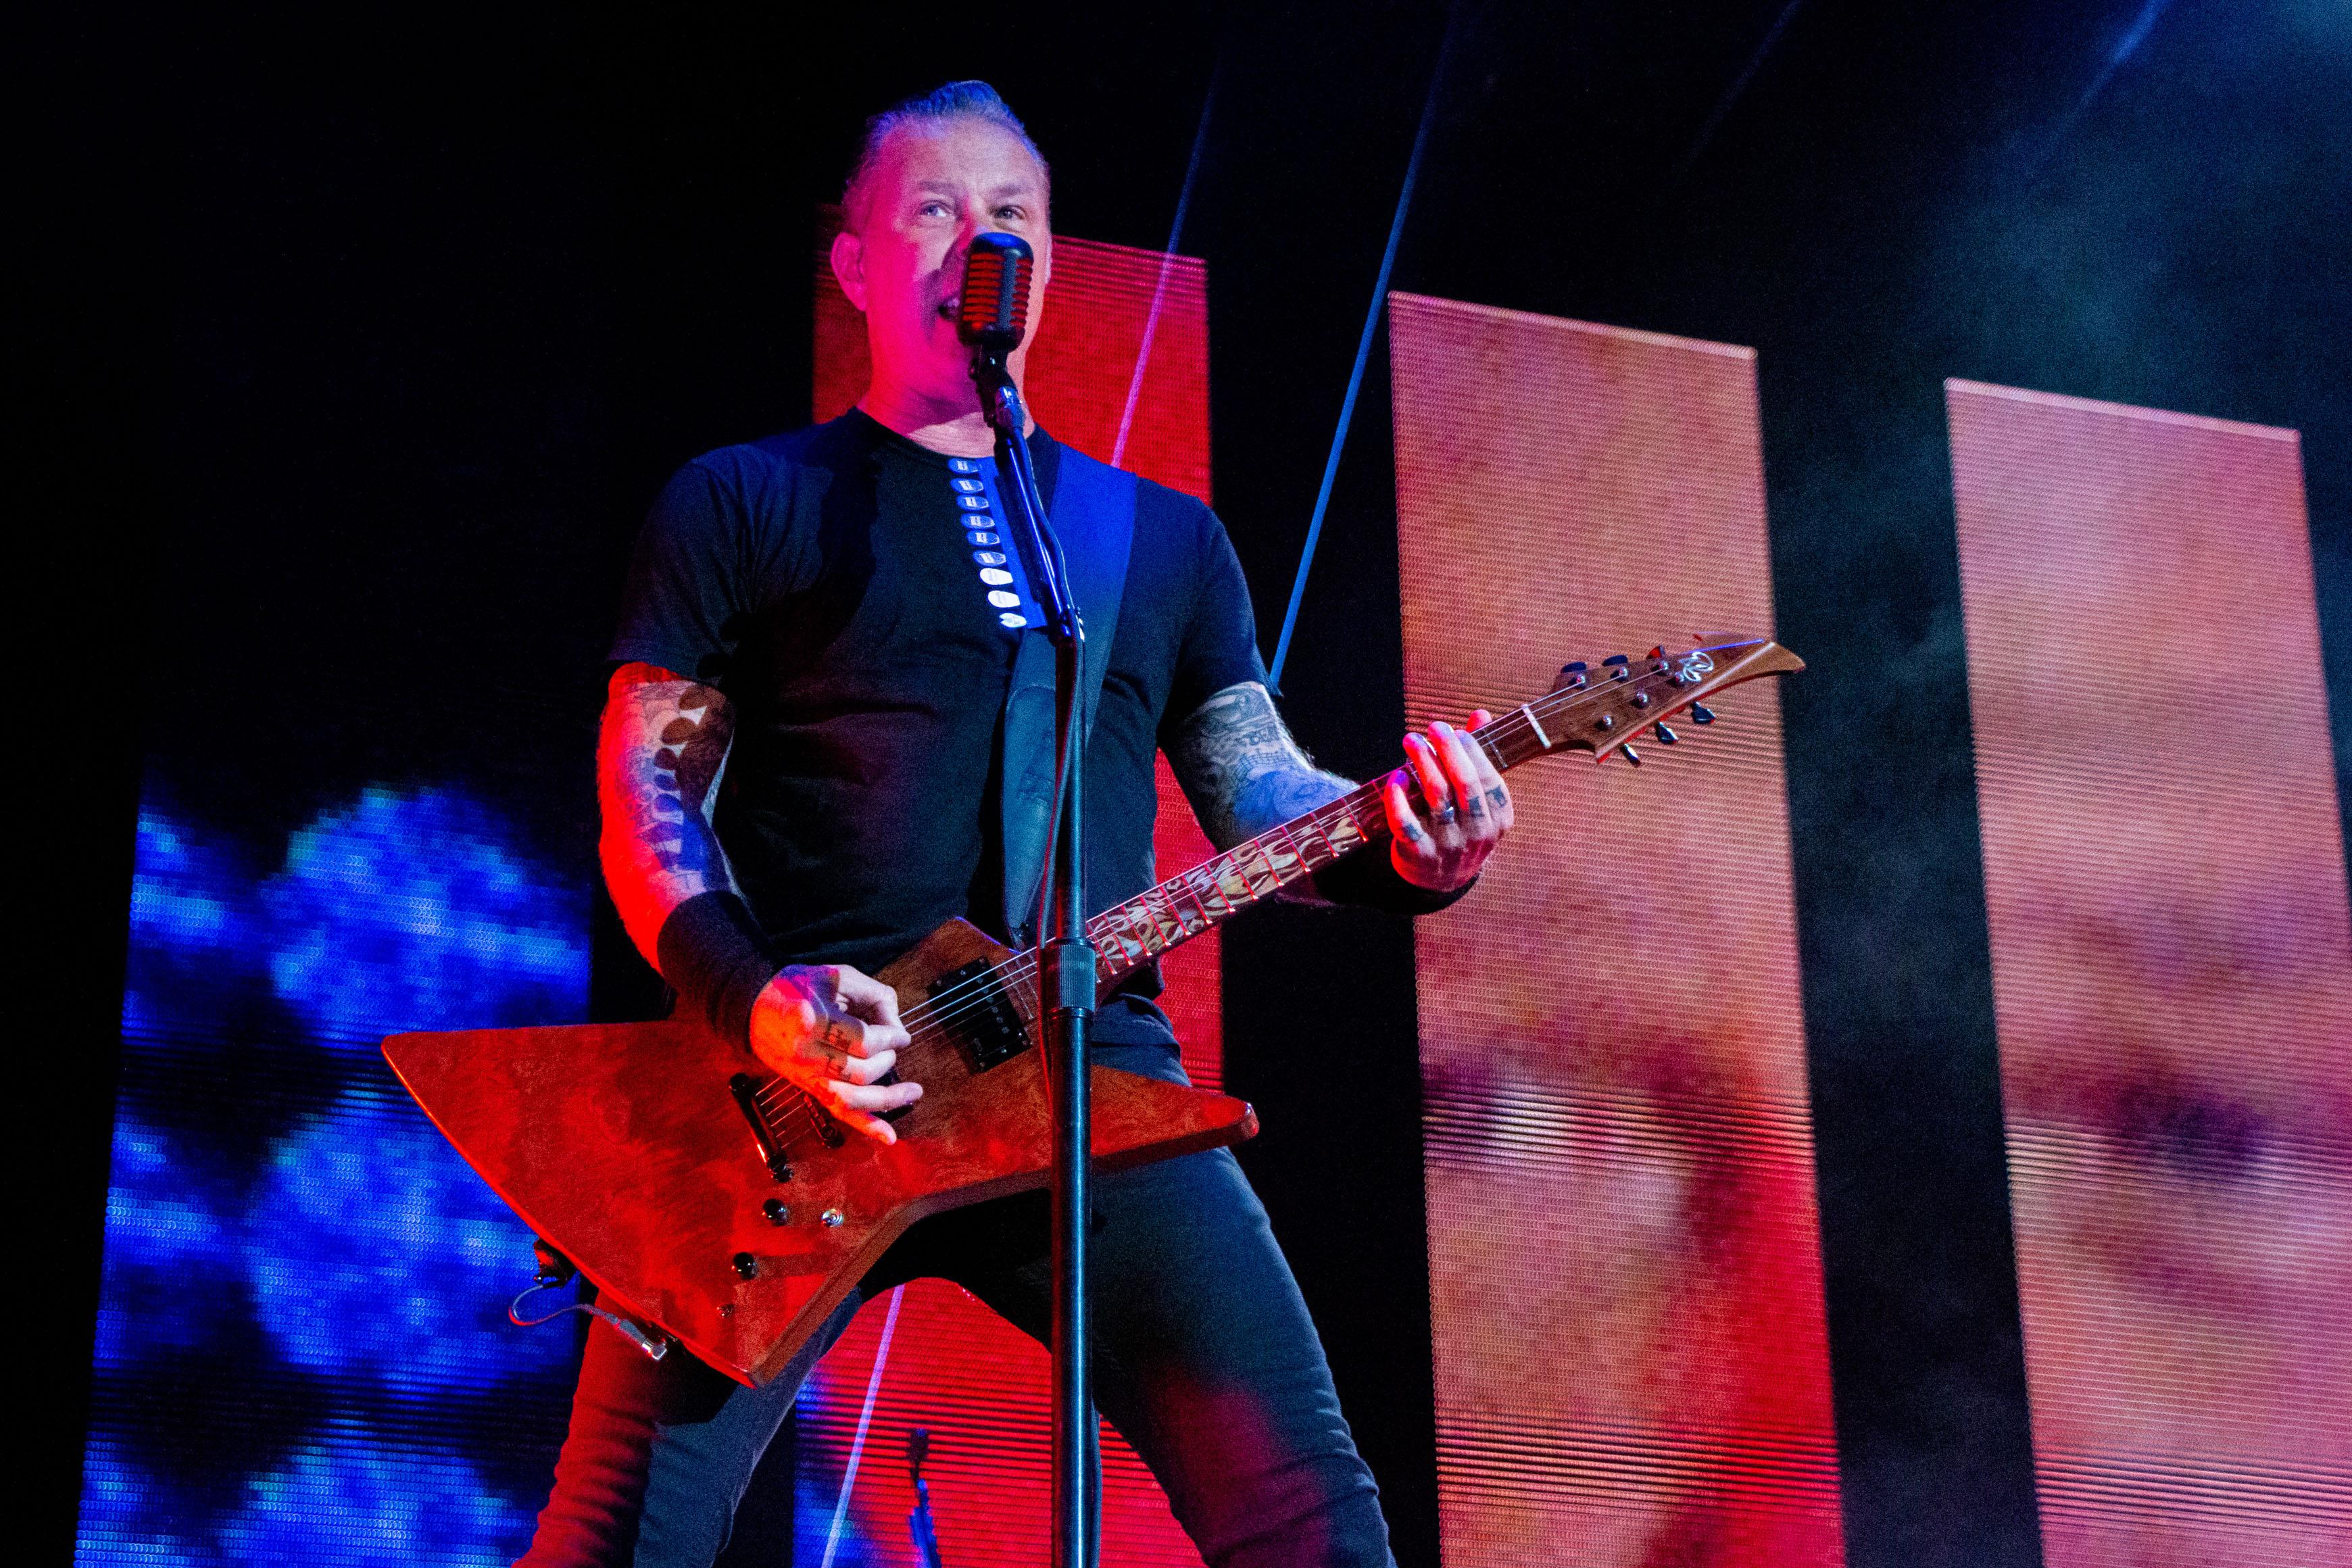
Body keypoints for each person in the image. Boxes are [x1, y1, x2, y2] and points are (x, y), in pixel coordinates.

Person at [518, 80, 1513, 1568]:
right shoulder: (746, 500)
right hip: (791, 1089)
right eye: (932, 208)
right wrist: (757, 997)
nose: (977, 239)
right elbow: (645, 792)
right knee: (616, 1544)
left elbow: (1262, 795)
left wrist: (1413, 844)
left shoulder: (1158, 541)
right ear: (854, 263)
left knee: (1311, 1522)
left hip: (1089, 1075)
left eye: (1010, 214)